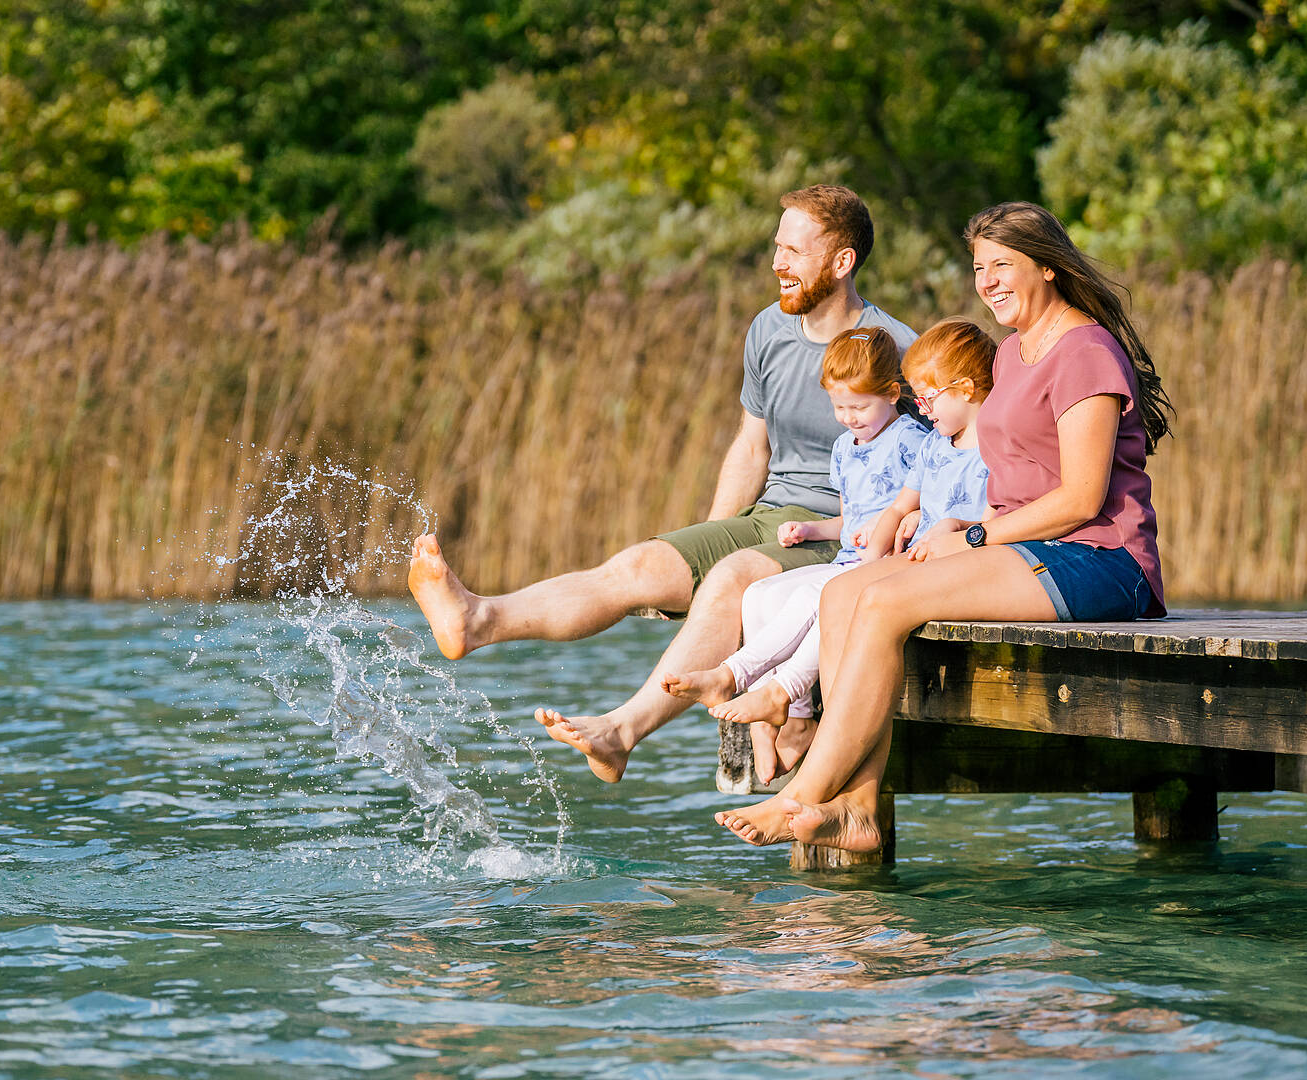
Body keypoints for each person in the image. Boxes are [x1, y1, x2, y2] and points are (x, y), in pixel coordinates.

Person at [407, 184, 919, 782]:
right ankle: (477, 621)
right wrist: (704, 539)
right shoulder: (767, 332)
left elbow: (931, 463)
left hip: (841, 534)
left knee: (729, 581)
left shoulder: (896, 350)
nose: (777, 263)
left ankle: (621, 731)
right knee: (639, 566)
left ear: (841, 261)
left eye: (794, 252)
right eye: (776, 247)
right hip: (767, 517)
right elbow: (751, 447)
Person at [713, 200, 1174, 849]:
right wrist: (943, 525)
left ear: (1045, 266)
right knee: (847, 592)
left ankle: (801, 796)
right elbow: (997, 472)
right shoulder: (1012, 354)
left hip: (1098, 560)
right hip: (1022, 545)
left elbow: (1080, 498)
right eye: (979, 267)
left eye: (1001, 264)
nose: (986, 281)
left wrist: (976, 539)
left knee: (881, 603)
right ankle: (860, 809)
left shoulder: (1085, 351)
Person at [664, 318, 995, 785]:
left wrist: (929, 531)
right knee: (762, 595)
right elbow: (886, 511)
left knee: (824, 598)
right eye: (840, 406)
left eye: (928, 399)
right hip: (890, 563)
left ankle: (762, 689)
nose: (848, 416)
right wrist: (842, 541)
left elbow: (993, 516)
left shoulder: (945, 442)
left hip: (942, 571)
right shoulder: (931, 445)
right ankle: (777, 706)